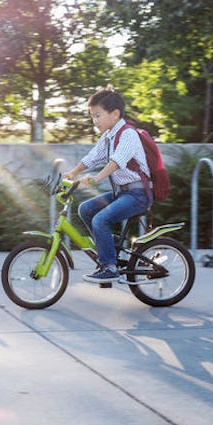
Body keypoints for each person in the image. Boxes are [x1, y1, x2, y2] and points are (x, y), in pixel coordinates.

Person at [63, 88, 153, 284]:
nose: (94, 120)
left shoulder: (128, 134)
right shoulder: (108, 136)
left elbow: (117, 161)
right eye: (92, 116)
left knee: (100, 220)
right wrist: (73, 172)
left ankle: (109, 267)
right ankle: (109, 247)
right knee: (85, 209)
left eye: (97, 115)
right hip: (122, 193)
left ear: (115, 114)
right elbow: (93, 157)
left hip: (138, 194)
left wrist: (98, 178)